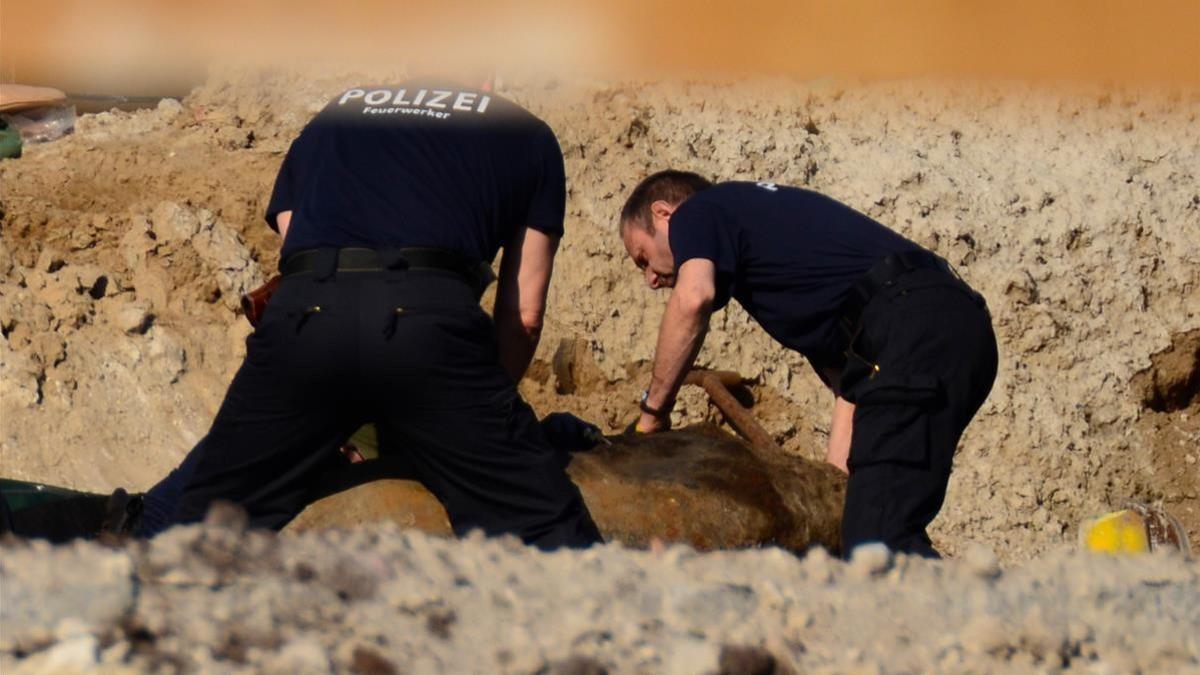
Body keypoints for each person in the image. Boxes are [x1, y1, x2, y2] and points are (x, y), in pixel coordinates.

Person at [136, 80, 602, 549]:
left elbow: (293, 234)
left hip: (308, 312)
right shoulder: (525, 131)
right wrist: (478, 415)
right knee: (548, 533)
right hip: (427, 319)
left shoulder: (341, 110)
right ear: (487, 76)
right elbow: (524, 314)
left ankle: (145, 584)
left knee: (203, 527)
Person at [617, 171, 997, 558]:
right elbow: (851, 386)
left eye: (643, 258)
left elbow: (694, 298)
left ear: (664, 214)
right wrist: (835, 487)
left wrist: (653, 413)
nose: (650, 279)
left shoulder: (699, 211)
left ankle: (995, 616)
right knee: (869, 531)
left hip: (916, 326)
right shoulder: (784, 260)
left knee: (879, 544)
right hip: (948, 332)